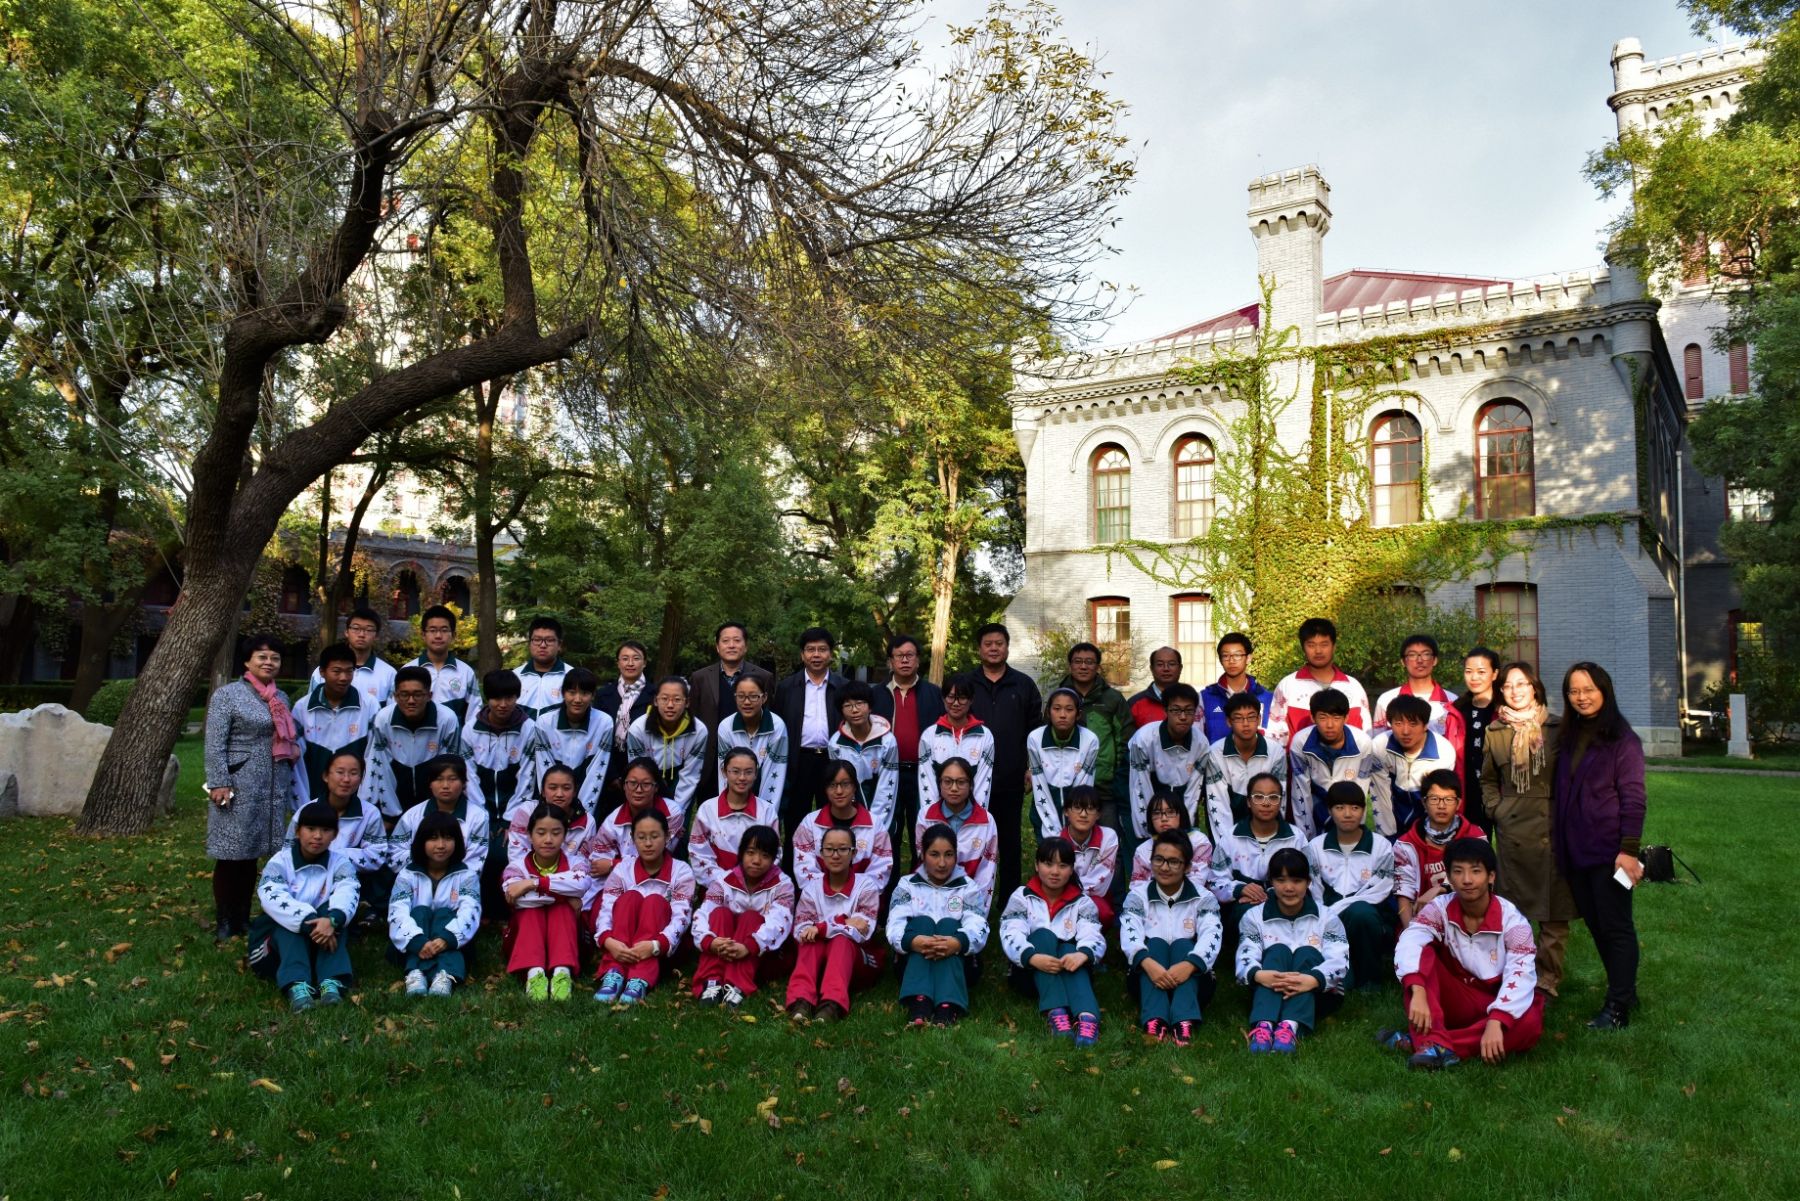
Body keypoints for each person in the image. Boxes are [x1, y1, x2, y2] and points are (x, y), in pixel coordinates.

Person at [1386, 837, 1544, 1070]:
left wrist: (1497, 1019)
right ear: (1449, 878)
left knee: (1529, 1023)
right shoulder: (1439, 908)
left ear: (1491, 876)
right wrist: (1417, 989)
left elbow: (1521, 973)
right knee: (1422, 957)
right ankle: (1434, 1042)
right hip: (1454, 998)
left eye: (1476, 871)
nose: (1467, 880)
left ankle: (1428, 1044)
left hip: (1494, 999)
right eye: (1458, 872)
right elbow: (1411, 940)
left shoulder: (1514, 922)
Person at [1553, 661, 1646, 1030]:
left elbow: (1634, 798)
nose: (1581, 697)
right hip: (1576, 851)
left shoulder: (1623, 739)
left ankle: (1618, 1008)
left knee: (1616, 927)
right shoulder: (1570, 735)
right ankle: (1625, 991)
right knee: (1597, 926)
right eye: (1574, 691)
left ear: (1604, 691)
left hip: (1609, 852)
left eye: (1588, 689)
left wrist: (1629, 850)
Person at [1481, 662, 1577, 996]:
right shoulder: (1495, 732)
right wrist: (1497, 810)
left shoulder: (1559, 728)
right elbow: (1488, 779)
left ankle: (1547, 980)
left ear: (1534, 688)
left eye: (1521, 684)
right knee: (1512, 908)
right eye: (1508, 686)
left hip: (1554, 827)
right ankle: (1514, 973)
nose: (1515, 691)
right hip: (1513, 830)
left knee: (1554, 910)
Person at [205, 634, 304, 941]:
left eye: (275, 658)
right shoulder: (228, 695)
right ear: (247, 662)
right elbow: (214, 742)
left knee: (253, 853)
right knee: (231, 853)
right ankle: (225, 919)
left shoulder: (280, 697)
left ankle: (243, 915)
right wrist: (219, 781)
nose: (268, 662)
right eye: (262, 657)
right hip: (238, 785)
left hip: (271, 787)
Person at [1237, 848, 1347, 1055]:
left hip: (1317, 992)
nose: (1289, 888)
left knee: (1307, 952)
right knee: (1277, 950)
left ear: (1308, 882)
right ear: (1271, 882)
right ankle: (1264, 1026)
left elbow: (1339, 960)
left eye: (1297, 881)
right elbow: (1245, 956)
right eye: (1281, 880)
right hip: (1267, 989)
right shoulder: (1253, 917)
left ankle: (1289, 1027)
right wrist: (1259, 975)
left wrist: (1312, 980)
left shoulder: (1328, 917)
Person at [999, 836, 1105, 1047]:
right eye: (1048, 864)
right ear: (1037, 865)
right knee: (1043, 935)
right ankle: (1057, 1013)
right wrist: (1032, 957)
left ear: (1071, 869)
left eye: (1063, 865)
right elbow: (1011, 932)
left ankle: (1087, 1017)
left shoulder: (1082, 902)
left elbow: (1093, 933)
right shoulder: (1022, 896)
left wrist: (1082, 954)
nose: (1055, 871)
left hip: (1070, 973)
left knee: (1068, 948)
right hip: (1030, 973)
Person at [1121, 830, 1222, 1045]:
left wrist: (1189, 964)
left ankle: (1183, 1020)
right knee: (1155, 943)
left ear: (1187, 867)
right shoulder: (1137, 896)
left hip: (1192, 979)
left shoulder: (1204, 898)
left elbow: (1212, 935)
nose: (1165, 867)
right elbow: (1130, 933)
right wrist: (1148, 963)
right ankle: (1155, 1019)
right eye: (1159, 859)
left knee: (1183, 944)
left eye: (1174, 862)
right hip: (1147, 977)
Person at [257, 800, 360, 1011]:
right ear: (297, 831)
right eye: (310, 829)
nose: (318, 836)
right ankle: (297, 984)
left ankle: (331, 982)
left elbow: (348, 891)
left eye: (326, 830)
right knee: (288, 923)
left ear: (335, 834)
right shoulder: (279, 862)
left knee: (333, 912)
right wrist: (311, 922)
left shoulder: (340, 862)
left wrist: (332, 920)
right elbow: (272, 896)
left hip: (325, 932)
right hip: (280, 941)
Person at [966, 622, 1043, 901]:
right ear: (979, 649)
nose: (994, 648)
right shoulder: (967, 684)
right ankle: (972, 895)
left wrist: (1031, 767)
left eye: (999, 643)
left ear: (1007, 648)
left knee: (1009, 841)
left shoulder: (1023, 684)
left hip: (1010, 776)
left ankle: (1009, 899)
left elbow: (1035, 731)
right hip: (972, 779)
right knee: (972, 838)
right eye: (988, 644)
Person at [887, 822, 990, 1027]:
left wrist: (957, 943)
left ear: (956, 856)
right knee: (923, 923)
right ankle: (920, 1001)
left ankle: (947, 1005)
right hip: (913, 961)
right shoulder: (908, 884)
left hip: (959, 963)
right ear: (923, 854)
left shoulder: (968, 887)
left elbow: (978, 924)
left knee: (949, 925)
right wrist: (913, 941)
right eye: (934, 854)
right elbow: (894, 924)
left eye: (948, 855)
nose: (942, 863)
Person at [591, 809, 696, 1005]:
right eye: (641, 837)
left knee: (655, 901)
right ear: (633, 839)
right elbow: (607, 909)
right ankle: (615, 972)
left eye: (655, 836)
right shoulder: (622, 869)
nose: (648, 843)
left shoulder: (682, 871)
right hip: (621, 945)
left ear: (667, 837)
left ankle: (639, 978)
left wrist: (655, 946)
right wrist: (608, 941)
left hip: (660, 949)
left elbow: (681, 918)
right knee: (630, 897)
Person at [785, 825, 885, 1022]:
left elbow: (862, 931)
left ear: (853, 853)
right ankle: (801, 1000)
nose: (836, 855)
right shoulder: (812, 889)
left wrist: (822, 927)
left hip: (859, 962)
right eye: (829, 849)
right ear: (821, 854)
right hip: (820, 963)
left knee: (841, 940)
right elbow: (801, 930)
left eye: (842, 849)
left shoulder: (866, 886)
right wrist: (844, 922)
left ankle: (832, 1004)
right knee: (810, 941)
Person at [1304, 781, 1396, 989]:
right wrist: (1328, 916)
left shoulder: (1381, 845)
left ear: (1363, 810)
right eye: (1339, 807)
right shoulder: (1315, 847)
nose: (1347, 814)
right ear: (1330, 811)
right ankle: (1344, 967)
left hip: (1368, 918)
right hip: (1326, 918)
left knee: (1360, 912)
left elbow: (1379, 889)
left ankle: (1369, 980)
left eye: (1355, 808)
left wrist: (1338, 908)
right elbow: (1314, 890)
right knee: (1344, 983)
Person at [1207, 771, 1306, 962]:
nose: (1266, 803)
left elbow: (1309, 881)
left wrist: (1272, 894)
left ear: (1280, 801)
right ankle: (1252, 961)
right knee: (1248, 913)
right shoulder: (1230, 837)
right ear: (1248, 802)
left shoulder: (1296, 838)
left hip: (1287, 902)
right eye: (1258, 797)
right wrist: (1240, 889)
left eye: (1273, 797)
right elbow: (1214, 882)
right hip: (1244, 907)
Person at [693, 825, 795, 1009]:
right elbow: (703, 914)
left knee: (751, 917)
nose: (756, 861)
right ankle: (712, 981)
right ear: (741, 853)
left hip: (760, 956)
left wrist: (749, 946)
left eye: (765, 855)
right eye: (750, 853)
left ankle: (736, 985)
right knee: (719, 913)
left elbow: (779, 922)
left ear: (774, 859)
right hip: (723, 947)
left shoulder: (783, 885)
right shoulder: (724, 880)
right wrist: (710, 941)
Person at [502, 801, 590, 1001]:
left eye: (556, 833)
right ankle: (534, 973)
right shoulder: (516, 867)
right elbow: (516, 899)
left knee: (561, 911)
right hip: (526, 936)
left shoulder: (577, 863)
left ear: (565, 835)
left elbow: (582, 883)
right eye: (541, 833)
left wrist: (533, 883)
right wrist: (566, 896)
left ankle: (562, 973)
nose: (548, 840)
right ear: (529, 835)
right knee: (532, 910)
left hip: (568, 936)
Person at [871, 634, 945, 871]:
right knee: (887, 832)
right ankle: (887, 883)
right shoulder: (875, 694)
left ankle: (920, 880)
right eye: (899, 656)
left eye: (909, 655)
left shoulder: (934, 694)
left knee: (922, 831)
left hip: (923, 775)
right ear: (890, 661)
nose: (904, 660)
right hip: (886, 775)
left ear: (918, 660)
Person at [388, 809, 480, 998]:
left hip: (452, 942)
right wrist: (417, 941)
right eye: (433, 838)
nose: (441, 845)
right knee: (420, 911)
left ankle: (444, 975)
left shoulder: (467, 876)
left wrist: (446, 939)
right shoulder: (407, 874)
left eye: (448, 838)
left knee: (445, 913)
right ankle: (416, 974)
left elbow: (470, 911)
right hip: (414, 941)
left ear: (457, 841)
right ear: (421, 842)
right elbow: (397, 912)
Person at [772, 627, 848, 844]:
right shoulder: (787, 687)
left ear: (831, 654)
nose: (816, 655)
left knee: (834, 816)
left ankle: (832, 858)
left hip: (833, 760)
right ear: (802, 654)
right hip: (799, 760)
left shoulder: (843, 687)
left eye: (822, 649)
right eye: (810, 649)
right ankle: (793, 862)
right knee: (795, 818)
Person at [365, 666, 469, 820]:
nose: (411, 701)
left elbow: (451, 766)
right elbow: (379, 766)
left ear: (429, 696)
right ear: (395, 696)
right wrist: (389, 813)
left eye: (418, 695)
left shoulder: (447, 719)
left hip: (435, 804)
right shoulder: (383, 719)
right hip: (396, 799)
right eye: (404, 695)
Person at [284, 750, 387, 904]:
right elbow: (288, 851)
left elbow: (376, 855)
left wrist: (333, 856)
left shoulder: (370, 813)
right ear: (326, 776)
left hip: (352, 880)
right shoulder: (307, 811)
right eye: (340, 772)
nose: (346, 779)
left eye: (353, 773)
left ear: (361, 779)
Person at [687, 621, 775, 798]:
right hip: (711, 760)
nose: (731, 645)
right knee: (713, 808)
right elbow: (693, 718)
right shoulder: (700, 677)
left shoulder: (763, 677)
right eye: (726, 641)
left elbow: (769, 717)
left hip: (750, 758)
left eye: (737, 640)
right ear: (717, 647)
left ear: (746, 646)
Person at [1394, 770, 1488, 928]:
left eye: (1449, 799)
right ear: (1424, 802)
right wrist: (1410, 933)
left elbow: (1482, 881)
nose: (1441, 806)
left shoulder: (1475, 836)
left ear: (1458, 803)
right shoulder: (1406, 844)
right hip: (1422, 921)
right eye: (1434, 799)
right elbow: (1404, 894)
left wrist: (1442, 888)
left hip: (1467, 918)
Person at [463, 668, 551, 834]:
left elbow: (527, 777)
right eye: (496, 698)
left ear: (517, 697)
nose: (503, 705)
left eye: (509, 698)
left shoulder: (529, 729)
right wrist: (481, 817)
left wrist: (511, 819)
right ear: (487, 698)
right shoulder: (470, 729)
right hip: (479, 811)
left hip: (516, 811)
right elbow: (470, 778)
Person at [1286, 687, 1378, 840]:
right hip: (1316, 801)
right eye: (1323, 717)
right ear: (1312, 717)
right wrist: (1306, 839)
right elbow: (1300, 792)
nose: (1330, 725)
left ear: (1346, 718)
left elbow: (1361, 789)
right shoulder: (1300, 743)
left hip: (1348, 802)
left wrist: (1356, 832)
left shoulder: (1363, 743)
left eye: (1336, 717)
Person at [292, 643, 376, 807]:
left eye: (349, 671)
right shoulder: (302, 708)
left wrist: (365, 802)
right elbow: (297, 763)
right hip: (313, 801)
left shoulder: (369, 705)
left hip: (356, 803)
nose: (343, 678)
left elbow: (373, 757)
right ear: (322, 672)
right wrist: (303, 805)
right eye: (336, 671)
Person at [792, 759, 895, 891]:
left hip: (863, 898)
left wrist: (852, 894)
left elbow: (881, 869)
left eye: (845, 784)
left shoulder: (874, 825)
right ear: (825, 789)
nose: (839, 791)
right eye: (832, 785)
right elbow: (804, 870)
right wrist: (831, 893)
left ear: (855, 786)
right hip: (819, 898)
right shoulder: (809, 824)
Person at [1267, 618, 1370, 747]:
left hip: (1350, 759)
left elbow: (1366, 733)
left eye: (1324, 644)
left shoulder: (1353, 686)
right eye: (1311, 645)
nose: (1318, 651)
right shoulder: (1288, 686)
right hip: (1301, 759)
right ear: (1303, 648)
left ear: (1334, 646)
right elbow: (1274, 735)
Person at [1056, 642, 1130, 821]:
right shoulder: (1059, 698)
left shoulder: (1112, 699)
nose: (1083, 666)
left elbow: (1125, 739)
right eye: (1078, 661)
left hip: (1104, 787)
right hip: (1066, 784)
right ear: (1070, 666)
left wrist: (1115, 775)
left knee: (1108, 835)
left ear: (1097, 667)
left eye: (1089, 662)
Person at [1200, 691, 1288, 842]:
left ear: (1259, 719)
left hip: (1265, 827)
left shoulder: (1275, 752)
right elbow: (1218, 805)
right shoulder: (1216, 753)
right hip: (1229, 827)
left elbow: (1278, 800)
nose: (1246, 724)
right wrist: (1230, 845)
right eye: (1238, 718)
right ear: (1229, 721)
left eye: (1251, 717)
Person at [689, 747, 781, 890]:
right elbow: (699, 854)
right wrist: (726, 883)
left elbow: (775, 853)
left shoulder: (767, 811)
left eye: (748, 772)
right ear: (724, 772)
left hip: (755, 891)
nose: (742, 778)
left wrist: (749, 882)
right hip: (716, 889)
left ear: (756, 774)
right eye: (735, 771)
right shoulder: (708, 809)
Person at [1368, 694, 1459, 837]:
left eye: (1413, 724)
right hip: (1393, 807)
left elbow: (1438, 800)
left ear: (1425, 725)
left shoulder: (1443, 751)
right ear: (1390, 724)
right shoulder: (1379, 746)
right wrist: (1387, 836)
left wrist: (1427, 837)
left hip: (1425, 811)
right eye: (1398, 723)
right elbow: (1380, 793)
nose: (1405, 731)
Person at [625, 676, 709, 830]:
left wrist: (677, 812)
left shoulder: (699, 730)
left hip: (680, 777)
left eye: (677, 700)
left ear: (687, 702)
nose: (670, 705)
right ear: (655, 701)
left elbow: (691, 775)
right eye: (664, 699)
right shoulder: (638, 729)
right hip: (647, 778)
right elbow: (638, 771)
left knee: (678, 829)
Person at [913, 757, 997, 905]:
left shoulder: (986, 821)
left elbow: (986, 871)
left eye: (961, 782)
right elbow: (924, 863)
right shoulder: (925, 816)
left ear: (971, 785)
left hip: (970, 898)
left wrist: (976, 907)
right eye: (947, 781)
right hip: (931, 898)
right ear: (939, 783)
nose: (954, 788)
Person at [1125, 682, 1204, 838]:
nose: (1183, 717)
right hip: (1142, 789)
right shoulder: (1144, 739)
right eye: (1176, 710)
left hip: (1177, 794)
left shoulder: (1201, 743)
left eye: (1189, 711)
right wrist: (1151, 835)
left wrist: (1183, 831)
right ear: (1165, 710)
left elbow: (1193, 792)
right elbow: (1141, 788)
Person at [389, 754, 491, 874]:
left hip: (459, 881)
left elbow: (475, 862)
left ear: (464, 783)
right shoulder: (412, 816)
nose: (445, 786)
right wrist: (427, 869)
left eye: (452, 779)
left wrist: (445, 876)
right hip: (417, 880)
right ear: (430, 783)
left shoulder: (478, 817)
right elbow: (395, 854)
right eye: (438, 779)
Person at [590, 758, 684, 887]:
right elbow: (598, 866)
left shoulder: (672, 813)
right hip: (620, 884)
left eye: (646, 784)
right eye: (632, 783)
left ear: (656, 787)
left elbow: (656, 859)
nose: (638, 790)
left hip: (662, 881)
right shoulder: (611, 823)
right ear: (624, 786)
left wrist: (613, 864)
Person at [536, 666, 614, 817]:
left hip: (588, 805)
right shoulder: (545, 723)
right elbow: (544, 769)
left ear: (593, 695)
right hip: (551, 806)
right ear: (563, 693)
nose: (578, 699)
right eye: (572, 692)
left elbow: (597, 771)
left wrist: (581, 814)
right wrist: (554, 812)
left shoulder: (604, 723)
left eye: (584, 693)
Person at [1372, 633, 1464, 758]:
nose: (1419, 660)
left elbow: (1458, 745)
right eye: (1412, 655)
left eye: (1426, 654)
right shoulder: (1387, 700)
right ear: (1403, 661)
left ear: (1435, 660)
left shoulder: (1452, 701)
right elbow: (1378, 744)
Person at [826, 680, 899, 832]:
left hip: (880, 812)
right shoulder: (836, 744)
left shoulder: (887, 741)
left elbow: (887, 786)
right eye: (847, 706)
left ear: (870, 706)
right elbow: (839, 783)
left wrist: (875, 825)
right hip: (849, 812)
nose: (854, 710)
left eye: (859, 703)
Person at [1026, 687, 1100, 838]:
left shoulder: (1090, 740)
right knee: (1049, 849)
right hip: (1045, 800)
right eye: (1057, 709)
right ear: (1048, 712)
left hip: (1077, 807)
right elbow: (1039, 783)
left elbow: (1083, 785)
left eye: (1069, 709)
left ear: (1078, 714)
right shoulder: (1035, 738)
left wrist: (1071, 825)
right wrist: (1052, 831)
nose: (1062, 715)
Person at [917, 675, 995, 811]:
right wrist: (934, 816)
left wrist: (975, 815)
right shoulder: (929, 735)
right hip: (937, 814)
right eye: (951, 697)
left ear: (971, 700)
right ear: (943, 698)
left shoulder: (984, 736)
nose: (956, 703)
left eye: (962, 698)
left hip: (971, 814)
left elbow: (983, 783)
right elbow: (927, 781)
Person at [505, 765, 595, 877]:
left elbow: (583, 867)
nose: (559, 794)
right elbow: (517, 855)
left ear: (574, 792)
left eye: (566, 788)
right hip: (526, 880)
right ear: (543, 791)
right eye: (552, 788)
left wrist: (546, 883)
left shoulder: (587, 822)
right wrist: (534, 883)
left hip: (567, 885)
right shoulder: (527, 811)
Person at [595, 639, 654, 806]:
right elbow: (598, 734)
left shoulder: (655, 695)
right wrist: (612, 776)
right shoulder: (604, 695)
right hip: (608, 767)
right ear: (618, 663)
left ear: (644, 663)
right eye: (625, 658)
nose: (630, 663)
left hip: (644, 767)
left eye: (636, 658)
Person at [716, 674, 790, 808]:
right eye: (741, 696)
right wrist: (728, 807)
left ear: (764, 697)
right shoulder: (725, 727)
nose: (747, 702)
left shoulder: (777, 726)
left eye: (753, 696)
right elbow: (725, 773)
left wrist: (766, 813)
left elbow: (774, 774)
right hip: (737, 785)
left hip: (766, 785)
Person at [405, 604, 481, 725]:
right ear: (423, 635)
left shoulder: (466, 672)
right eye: (432, 630)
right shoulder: (408, 671)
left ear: (453, 635)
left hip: (454, 736)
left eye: (444, 630)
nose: (438, 636)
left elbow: (474, 715)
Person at [309, 606, 395, 708]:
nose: (361, 634)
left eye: (369, 630)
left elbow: (390, 713)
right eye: (356, 628)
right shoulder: (323, 671)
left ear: (376, 636)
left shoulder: (389, 674)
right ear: (346, 632)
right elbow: (311, 708)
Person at [1453, 648, 1503, 825]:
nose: (1474, 677)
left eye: (1481, 672)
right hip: (1467, 789)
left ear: (1494, 674)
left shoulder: (1504, 710)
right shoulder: (1456, 710)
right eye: (1469, 671)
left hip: (1500, 790)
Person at [1057, 786, 1118, 925]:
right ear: (1066, 811)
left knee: (1103, 913)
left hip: (1094, 896)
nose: (1083, 814)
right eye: (1077, 807)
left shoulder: (1108, 837)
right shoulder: (1056, 840)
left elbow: (1099, 883)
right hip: (1059, 896)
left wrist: (1071, 895)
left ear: (1098, 814)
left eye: (1090, 808)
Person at [1199, 632, 1274, 745]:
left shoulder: (1266, 697)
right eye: (1226, 656)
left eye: (1237, 655)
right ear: (1220, 660)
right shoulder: (1205, 697)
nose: (1231, 661)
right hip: (1216, 756)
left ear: (1248, 658)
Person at [1129, 790, 1212, 892]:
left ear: (1181, 814)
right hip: (1153, 900)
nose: (1164, 818)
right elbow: (1136, 888)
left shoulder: (1198, 841)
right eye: (1157, 813)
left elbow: (1198, 880)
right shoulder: (1142, 850)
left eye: (1170, 812)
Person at [512, 616, 570, 719]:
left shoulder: (570, 676)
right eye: (537, 640)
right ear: (529, 643)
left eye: (549, 640)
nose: (543, 645)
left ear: (559, 645)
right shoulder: (515, 676)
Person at [1127, 646, 1183, 731]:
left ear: (1180, 668)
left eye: (1171, 664)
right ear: (1152, 668)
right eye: (1160, 664)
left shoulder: (1193, 702)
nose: (1166, 669)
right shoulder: (1134, 704)